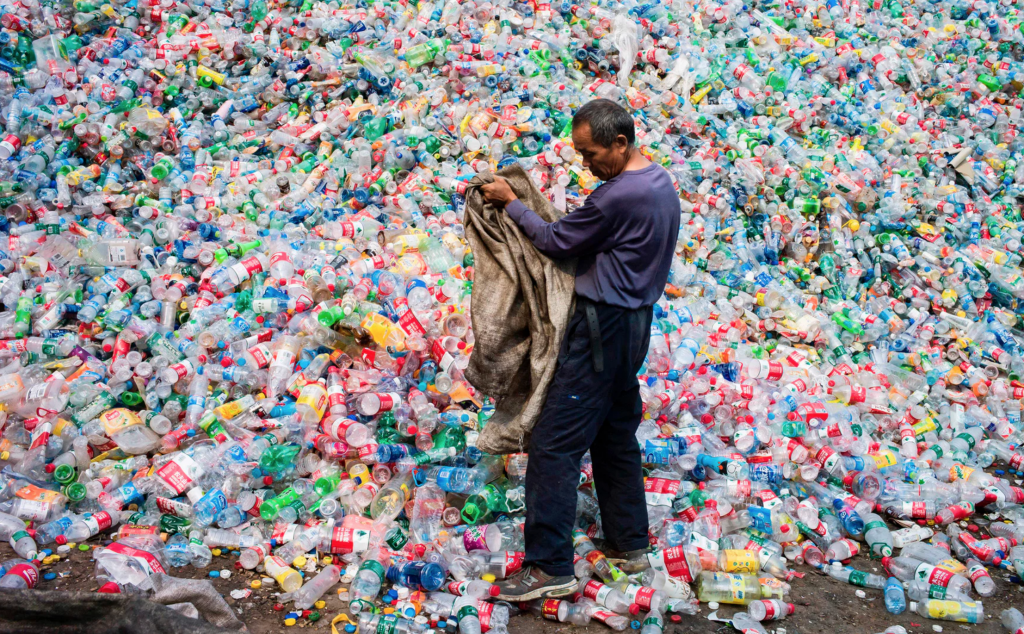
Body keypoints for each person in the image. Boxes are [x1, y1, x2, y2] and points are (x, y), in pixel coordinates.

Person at [479, 99, 682, 601]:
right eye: (579, 153)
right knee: (615, 436)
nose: (586, 163)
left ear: (620, 142)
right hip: (635, 325)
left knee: (554, 444)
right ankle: (630, 544)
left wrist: (512, 201)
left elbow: (554, 240)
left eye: (592, 153)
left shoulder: (618, 196)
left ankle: (549, 567)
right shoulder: (659, 182)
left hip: (599, 330)